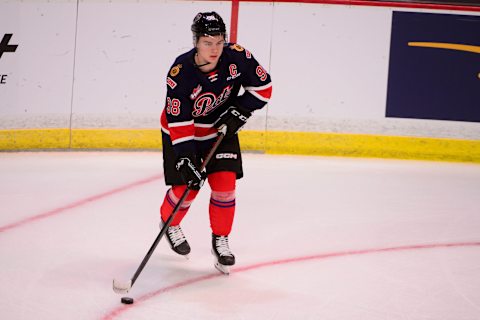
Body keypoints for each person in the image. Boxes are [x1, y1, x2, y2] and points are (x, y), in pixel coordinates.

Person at [159, 11, 272, 274]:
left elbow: (264, 88)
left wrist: (239, 111)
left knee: (225, 187)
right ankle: (170, 223)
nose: (214, 49)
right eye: (208, 42)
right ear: (196, 41)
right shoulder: (180, 72)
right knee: (189, 187)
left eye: (219, 42)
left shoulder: (237, 57)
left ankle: (220, 239)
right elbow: (179, 120)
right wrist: (186, 157)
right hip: (182, 133)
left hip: (220, 130)